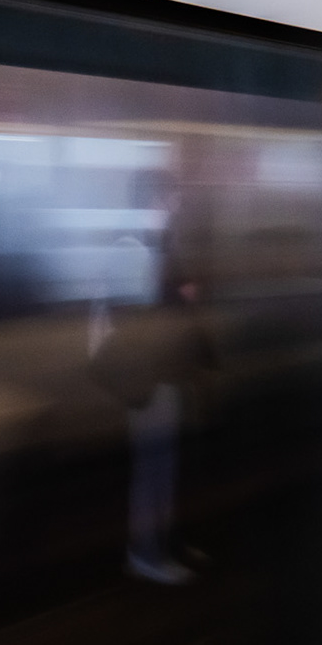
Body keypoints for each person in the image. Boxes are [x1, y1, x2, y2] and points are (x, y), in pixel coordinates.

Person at [87, 169, 207, 585]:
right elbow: (134, 315)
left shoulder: (153, 243)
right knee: (153, 467)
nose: (174, 206)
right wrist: (179, 294)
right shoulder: (131, 244)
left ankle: (167, 542)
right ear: (153, 201)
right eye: (169, 199)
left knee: (165, 464)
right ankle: (145, 554)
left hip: (162, 371)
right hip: (145, 374)